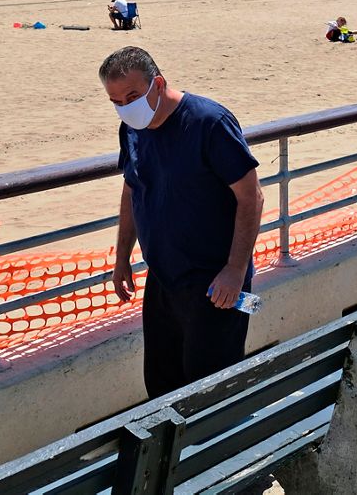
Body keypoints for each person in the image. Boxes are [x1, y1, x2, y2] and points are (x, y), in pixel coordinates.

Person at [101, 46, 263, 398]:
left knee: (209, 391)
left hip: (217, 283)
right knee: (161, 385)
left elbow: (251, 197)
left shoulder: (209, 123)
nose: (126, 107)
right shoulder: (131, 129)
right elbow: (133, 189)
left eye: (133, 96)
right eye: (116, 101)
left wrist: (236, 271)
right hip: (162, 280)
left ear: (157, 83)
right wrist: (121, 258)